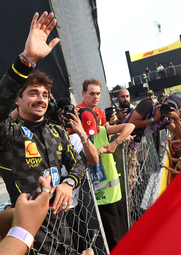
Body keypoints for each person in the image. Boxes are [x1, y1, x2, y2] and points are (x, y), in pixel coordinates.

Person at [0, 12, 86, 254]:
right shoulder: (9, 133)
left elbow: (79, 163)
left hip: (64, 231)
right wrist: (26, 60)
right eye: (33, 93)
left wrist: (69, 184)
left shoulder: (57, 131)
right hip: (28, 239)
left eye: (45, 95)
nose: (41, 99)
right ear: (18, 100)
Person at [73, 107, 135, 250]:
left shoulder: (101, 131)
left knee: (117, 236)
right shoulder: (75, 139)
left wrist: (115, 142)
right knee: (103, 239)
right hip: (91, 199)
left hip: (109, 196)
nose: (90, 134)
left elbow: (130, 126)